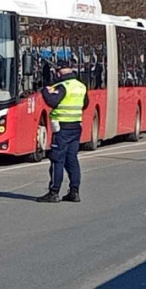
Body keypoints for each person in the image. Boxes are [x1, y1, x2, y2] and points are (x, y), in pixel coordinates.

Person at [36, 60, 89, 203]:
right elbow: (85, 104)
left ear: (58, 72)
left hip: (62, 128)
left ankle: (54, 192)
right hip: (76, 127)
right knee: (72, 159)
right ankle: (74, 191)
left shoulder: (62, 86)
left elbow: (52, 102)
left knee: (57, 160)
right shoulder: (80, 86)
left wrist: (45, 91)